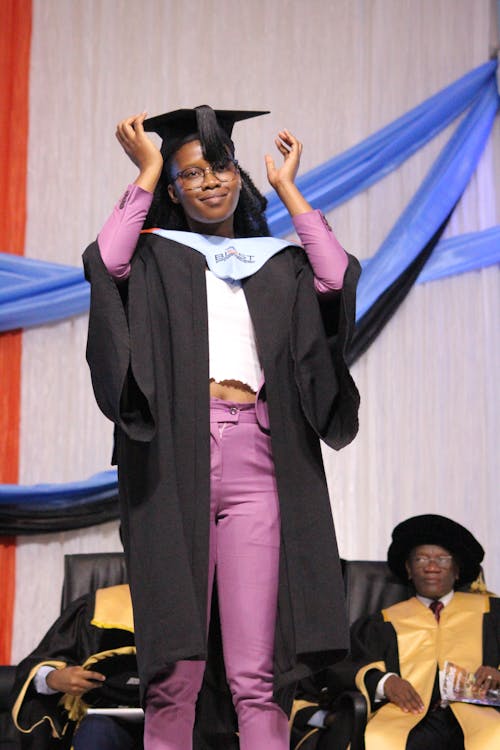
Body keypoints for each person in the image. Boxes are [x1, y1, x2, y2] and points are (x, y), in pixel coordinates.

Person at [83, 105, 361, 750]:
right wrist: (147, 170)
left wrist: (291, 190)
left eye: (221, 167)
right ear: (176, 190)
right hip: (173, 460)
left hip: (258, 461)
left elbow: (335, 276)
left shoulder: (276, 262)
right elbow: (107, 262)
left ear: (240, 175)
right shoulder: (157, 256)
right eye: (191, 173)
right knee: (174, 667)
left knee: (257, 673)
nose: (209, 181)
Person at [343, 514, 500, 750]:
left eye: (442, 559)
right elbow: (347, 665)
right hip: (409, 719)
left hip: (480, 716)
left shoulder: (492, 613)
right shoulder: (383, 621)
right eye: (421, 559)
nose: (432, 567)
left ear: (457, 570)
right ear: (408, 569)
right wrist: (386, 682)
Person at [11, 583, 143, 750]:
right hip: (105, 721)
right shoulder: (100, 605)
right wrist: (53, 678)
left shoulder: (184, 609)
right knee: (95, 734)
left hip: (176, 716)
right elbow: (38, 662)